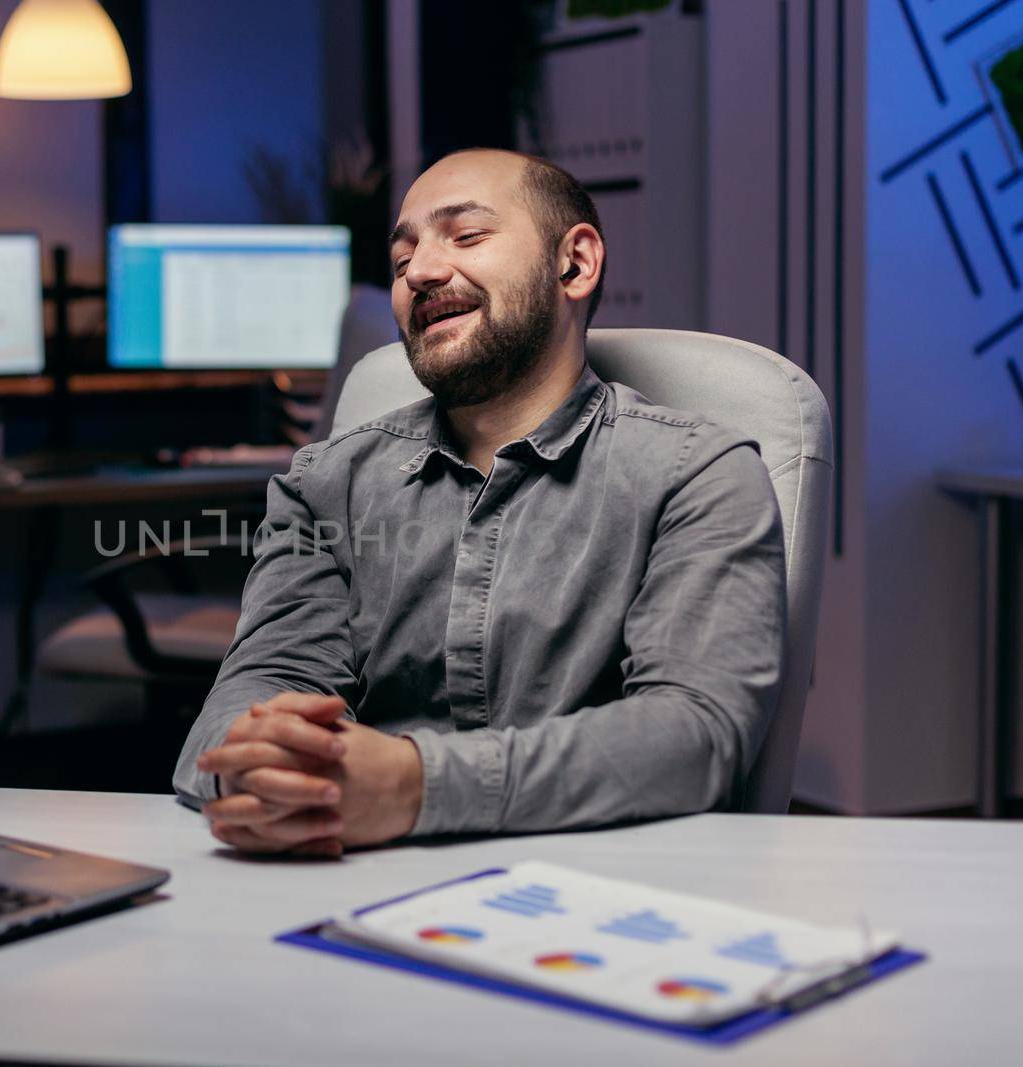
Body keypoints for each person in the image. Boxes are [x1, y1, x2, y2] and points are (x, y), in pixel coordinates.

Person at [173, 148, 786, 857]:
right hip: (348, 874)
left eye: (466, 236)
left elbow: (694, 740)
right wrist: (262, 769)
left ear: (575, 264)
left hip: (604, 890)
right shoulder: (325, 484)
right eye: (402, 262)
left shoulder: (697, 473)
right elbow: (251, 696)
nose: (421, 274)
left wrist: (416, 785)